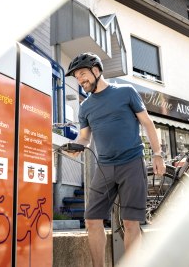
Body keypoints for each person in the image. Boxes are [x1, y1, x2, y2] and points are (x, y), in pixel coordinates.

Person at [64, 52, 166, 267]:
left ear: (97, 70)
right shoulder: (85, 107)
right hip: (104, 168)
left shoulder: (126, 92)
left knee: (130, 223)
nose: (80, 80)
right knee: (92, 220)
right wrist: (76, 147)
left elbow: (147, 123)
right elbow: (85, 138)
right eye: (77, 77)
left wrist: (157, 154)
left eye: (83, 74)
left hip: (132, 163)